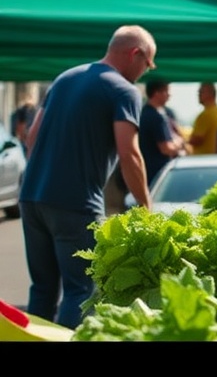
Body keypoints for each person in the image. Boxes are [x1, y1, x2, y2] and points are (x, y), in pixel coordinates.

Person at [19, 25, 156, 328]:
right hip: (76, 203)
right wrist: (146, 206)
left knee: (42, 288)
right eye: (148, 64)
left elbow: (32, 137)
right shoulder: (124, 91)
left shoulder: (65, 78)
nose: (146, 71)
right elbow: (130, 154)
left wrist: (48, 174)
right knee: (80, 291)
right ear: (135, 53)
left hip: (32, 197)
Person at [138, 78, 187, 186]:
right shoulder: (156, 117)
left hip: (145, 170)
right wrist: (179, 142)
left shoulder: (144, 113)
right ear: (157, 93)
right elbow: (166, 148)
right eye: (166, 91)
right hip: (156, 173)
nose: (169, 95)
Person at [188, 82, 217, 156]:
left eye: (201, 92)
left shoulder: (206, 115)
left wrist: (183, 140)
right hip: (213, 157)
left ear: (210, 94)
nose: (198, 94)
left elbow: (197, 140)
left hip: (203, 158)